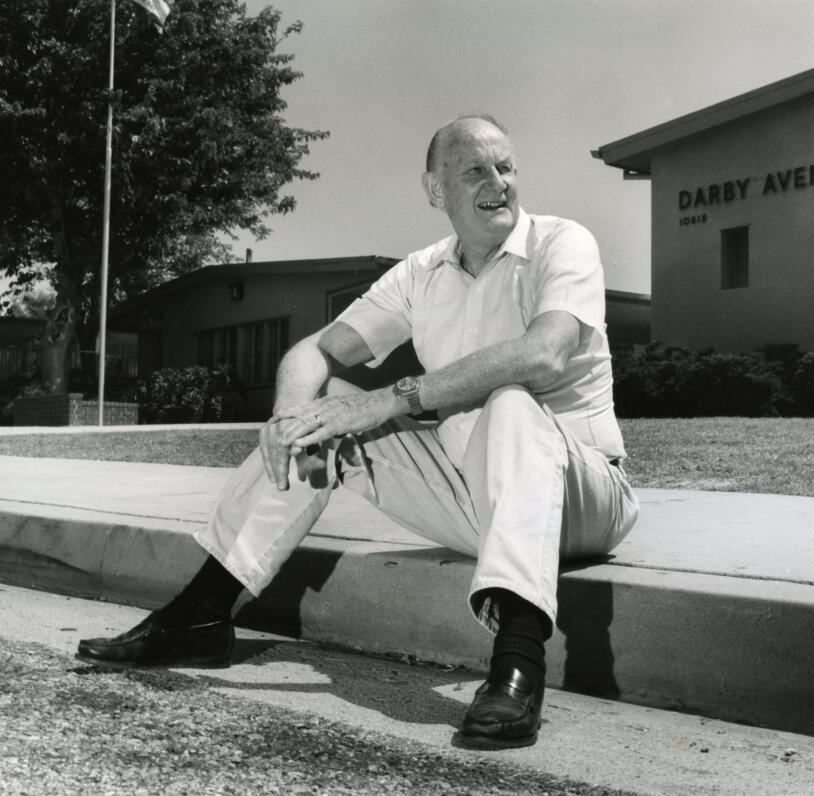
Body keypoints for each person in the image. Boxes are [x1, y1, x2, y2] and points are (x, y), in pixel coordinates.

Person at [77, 114, 639, 749]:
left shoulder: (562, 243)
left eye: (506, 167)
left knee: (510, 397)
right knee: (324, 411)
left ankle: (518, 665)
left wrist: (390, 398)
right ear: (436, 190)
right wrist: (290, 419)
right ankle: (200, 615)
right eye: (475, 169)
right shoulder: (420, 272)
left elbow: (545, 355)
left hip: (584, 497)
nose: (499, 183)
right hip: (471, 499)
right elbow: (315, 351)